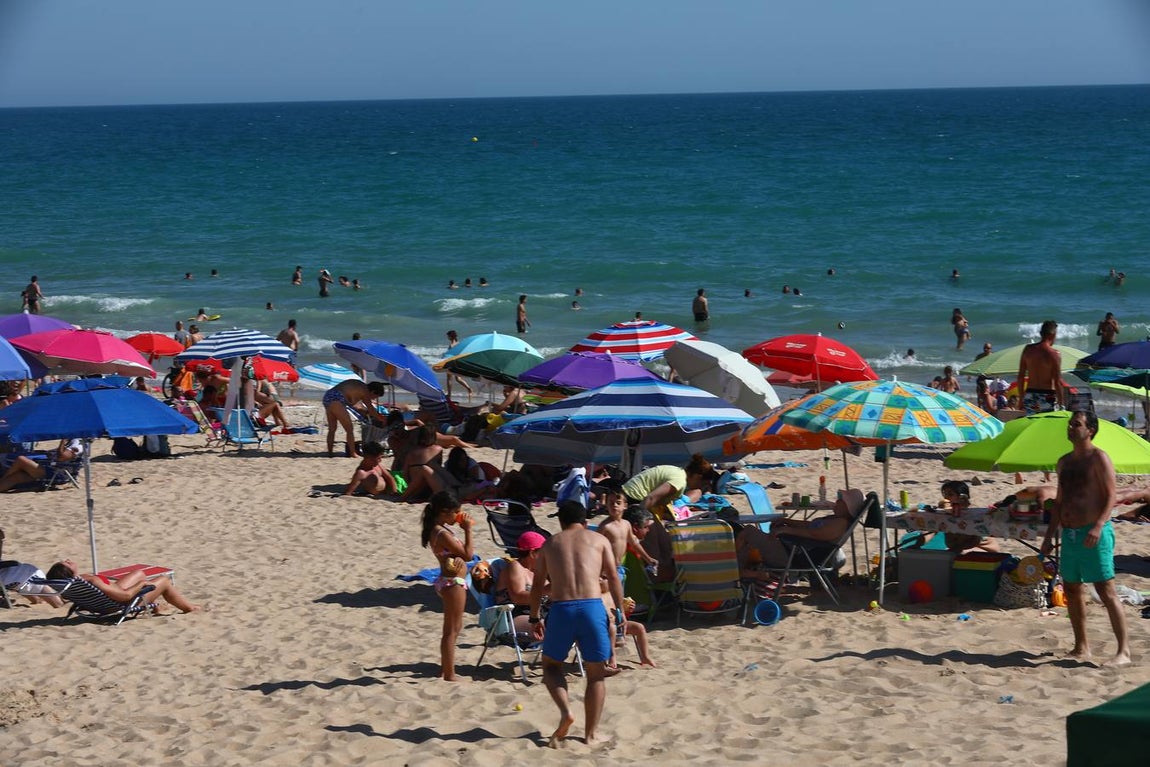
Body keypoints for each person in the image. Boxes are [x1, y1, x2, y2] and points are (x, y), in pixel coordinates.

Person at [529, 500, 624, 748]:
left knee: (550, 666)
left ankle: (565, 712)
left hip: (561, 609)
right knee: (596, 674)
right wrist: (621, 611)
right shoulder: (599, 539)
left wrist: (534, 616)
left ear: (560, 522)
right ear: (584, 521)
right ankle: (591, 734)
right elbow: (613, 577)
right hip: (592, 607)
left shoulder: (550, 544)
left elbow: (538, 584)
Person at [1040, 410, 1130, 666]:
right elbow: (1059, 502)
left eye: (1076, 424)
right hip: (1068, 535)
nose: (1070, 428)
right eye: (1070, 424)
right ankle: (1081, 647)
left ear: (1090, 429)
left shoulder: (1098, 458)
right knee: (1071, 588)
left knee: (1105, 589)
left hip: (1094, 531)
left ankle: (1123, 652)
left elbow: (1111, 495)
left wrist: (1099, 525)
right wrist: (1049, 536)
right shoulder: (1064, 462)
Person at [418, 491, 473, 681]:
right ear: (444, 512)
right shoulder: (441, 533)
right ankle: (450, 674)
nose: (459, 515)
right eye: (455, 512)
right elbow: (468, 555)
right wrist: (467, 529)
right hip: (453, 583)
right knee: (452, 630)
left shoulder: (438, 529)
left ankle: (445, 669)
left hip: (447, 581)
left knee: (452, 628)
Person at [45, 558, 201, 614]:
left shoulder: (72, 584)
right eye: (66, 563)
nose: (68, 559)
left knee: (139, 572)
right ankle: (188, 608)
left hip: (103, 601)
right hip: (119, 603)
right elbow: (125, 596)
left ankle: (154, 606)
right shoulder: (91, 581)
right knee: (163, 580)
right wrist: (141, 585)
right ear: (67, 571)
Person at [622, 454, 714, 521]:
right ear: (698, 477)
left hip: (630, 493)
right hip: (632, 497)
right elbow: (651, 498)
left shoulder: (678, 472)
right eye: (702, 484)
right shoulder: (679, 481)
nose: (700, 487)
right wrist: (638, 520)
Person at [494, 530, 546, 634]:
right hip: (515, 616)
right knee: (557, 626)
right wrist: (547, 590)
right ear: (532, 553)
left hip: (538, 615)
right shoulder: (516, 567)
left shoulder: (537, 570)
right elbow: (517, 597)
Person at [322, 379, 387, 458]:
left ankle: (330, 453)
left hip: (328, 396)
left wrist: (366, 413)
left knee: (332, 428)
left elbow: (356, 406)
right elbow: (371, 409)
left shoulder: (359, 387)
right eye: (375, 397)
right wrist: (382, 418)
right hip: (337, 399)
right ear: (372, 392)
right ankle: (353, 453)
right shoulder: (365, 391)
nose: (373, 399)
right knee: (349, 429)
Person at [0, 439, 82, 493]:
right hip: (52, 468)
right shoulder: (75, 440)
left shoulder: (78, 443)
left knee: (21, 460)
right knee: (17, 477)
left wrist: (62, 442)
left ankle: (4, 478)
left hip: (58, 472)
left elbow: (61, 457)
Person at [1016, 319, 1063, 414]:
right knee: (1046, 425)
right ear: (1053, 335)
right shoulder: (1054, 354)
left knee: (1031, 424)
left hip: (1030, 394)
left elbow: (1020, 376)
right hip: (1047, 395)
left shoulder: (1027, 350)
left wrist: (1021, 398)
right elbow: (1057, 382)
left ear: (1041, 333)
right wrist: (1062, 403)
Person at [443, 329, 473, 398]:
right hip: (458, 363)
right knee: (458, 379)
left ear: (450, 336)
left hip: (452, 363)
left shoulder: (451, 345)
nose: (447, 337)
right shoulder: (458, 343)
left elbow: (450, 355)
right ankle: (469, 388)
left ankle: (449, 394)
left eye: (448, 336)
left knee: (449, 379)